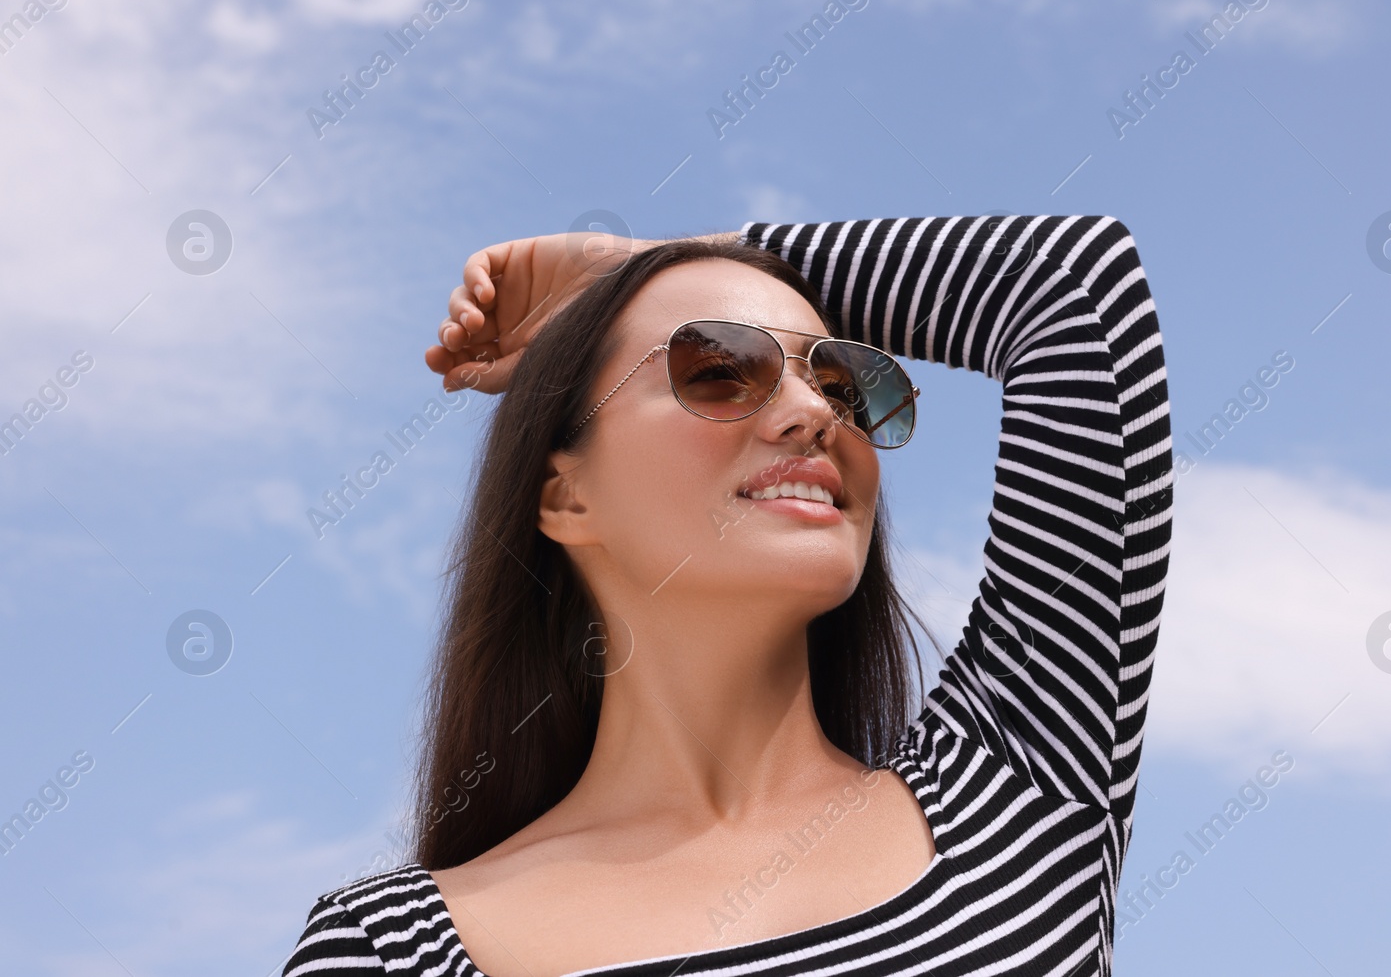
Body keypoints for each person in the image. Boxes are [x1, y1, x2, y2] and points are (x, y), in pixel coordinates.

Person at [282, 215, 1172, 977]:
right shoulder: (393, 951)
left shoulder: (1013, 793)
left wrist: (631, 263)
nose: (817, 413)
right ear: (566, 497)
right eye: (715, 368)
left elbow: (1075, 282)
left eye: (842, 385)